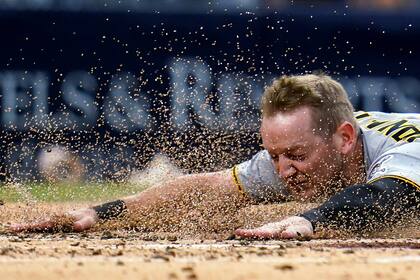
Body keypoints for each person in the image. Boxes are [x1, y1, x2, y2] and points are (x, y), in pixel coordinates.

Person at [10, 73, 420, 238]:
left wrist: (307, 221)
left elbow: (387, 198)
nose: (284, 170)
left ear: (345, 138)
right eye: (274, 156)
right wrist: (105, 212)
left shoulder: (404, 152)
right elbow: (209, 190)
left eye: (294, 155)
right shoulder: (307, 150)